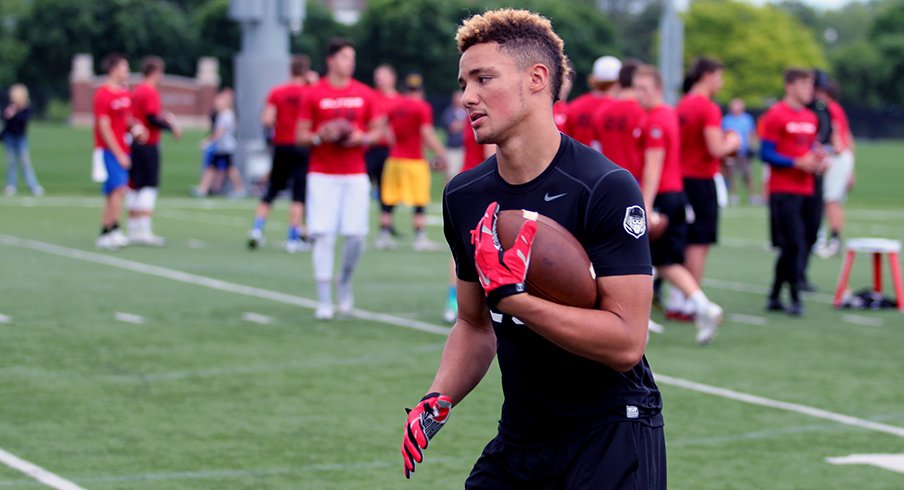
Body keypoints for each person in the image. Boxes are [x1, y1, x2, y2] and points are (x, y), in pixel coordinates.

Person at [401, 9, 665, 488]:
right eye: (463, 83)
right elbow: (473, 322)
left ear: (537, 78)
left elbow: (627, 343)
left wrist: (518, 300)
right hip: (522, 436)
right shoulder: (464, 195)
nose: (467, 98)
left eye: (484, 79)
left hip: (610, 432)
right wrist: (438, 396)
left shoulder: (603, 186)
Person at [633, 65, 723, 344]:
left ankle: (644, 318)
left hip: (663, 197)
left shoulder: (658, 118)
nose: (639, 94)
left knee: (647, 260)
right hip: (672, 195)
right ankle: (701, 307)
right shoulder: (662, 114)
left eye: (644, 89)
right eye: (636, 88)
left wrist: (645, 205)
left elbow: (654, 165)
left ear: (658, 89)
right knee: (661, 261)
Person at [297, 38, 385, 320]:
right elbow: (299, 137)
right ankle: (324, 298)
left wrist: (362, 137)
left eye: (352, 57)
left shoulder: (364, 93)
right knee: (322, 235)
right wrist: (318, 136)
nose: (351, 62)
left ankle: (344, 280)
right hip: (322, 174)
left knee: (357, 236)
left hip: (354, 173)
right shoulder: (313, 93)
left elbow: (377, 131)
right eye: (346, 57)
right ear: (331, 60)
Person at [672, 57, 741, 318]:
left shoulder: (682, 104)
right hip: (701, 178)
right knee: (698, 242)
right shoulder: (707, 107)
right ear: (708, 76)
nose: (721, 83)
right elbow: (716, 148)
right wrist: (733, 141)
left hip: (681, 178)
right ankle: (692, 301)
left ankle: (678, 298)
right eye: (719, 76)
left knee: (684, 239)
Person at [759, 68, 826, 316]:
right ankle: (795, 296)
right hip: (783, 189)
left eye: (810, 85)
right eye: (803, 84)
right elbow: (765, 153)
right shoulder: (776, 115)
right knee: (794, 243)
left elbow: (812, 148)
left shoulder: (810, 117)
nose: (808, 89)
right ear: (789, 86)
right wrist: (794, 162)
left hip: (806, 188)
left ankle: (775, 295)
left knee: (800, 242)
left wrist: (820, 159)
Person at [248, 55, 314, 253]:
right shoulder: (310, 92)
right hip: (302, 146)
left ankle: (256, 230)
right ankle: (293, 237)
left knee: (272, 189)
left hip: (282, 145)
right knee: (298, 195)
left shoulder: (277, 92)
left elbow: (267, 119)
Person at [376, 73, 448, 251]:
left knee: (389, 198)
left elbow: (382, 123)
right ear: (420, 90)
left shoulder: (396, 104)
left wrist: (391, 138)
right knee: (419, 200)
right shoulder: (421, 107)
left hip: (394, 159)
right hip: (414, 160)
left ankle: (383, 235)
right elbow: (426, 132)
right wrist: (440, 152)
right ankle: (419, 237)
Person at [444, 115, 497, 323]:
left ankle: (454, 301)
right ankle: (459, 302)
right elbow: (493, 157)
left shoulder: (472, 112)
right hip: (483, 187)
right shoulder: (493, 113)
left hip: (468, 184)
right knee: (477, 247)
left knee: (463, 249)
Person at [93, 53, 147, 250]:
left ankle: (106, 231)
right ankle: (114, 228)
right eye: (125, 68)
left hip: (123, 148)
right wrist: (118, 154)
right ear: (113, 69)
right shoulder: (103, 94)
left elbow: (127, 121)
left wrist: (137, 130)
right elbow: (104, 127)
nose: (128, 72)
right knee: (119, 189)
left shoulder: (124, 94)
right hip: (109, 150)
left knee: (114, 192)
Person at [128, 56, 181, 246]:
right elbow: (151, 118)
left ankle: (133, 227)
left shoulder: (137, 90)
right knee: (149, 186)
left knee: (135, 186)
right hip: (147, 143)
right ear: (155, 72)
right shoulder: (149, 91)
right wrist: (170, 126)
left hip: (135, 142)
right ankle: (144, 229)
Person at [815, 79, 855, 258]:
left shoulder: (829, 108)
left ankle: (834, 239)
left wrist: (832, 150)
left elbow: (838, 133)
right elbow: (849, 137)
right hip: (843, 157)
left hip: (837, 158)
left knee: (830, 199)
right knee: (833, 200)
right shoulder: (836, 108)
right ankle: (831, 238)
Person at [592, 59, 643, 170]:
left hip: (607, 175)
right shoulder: (641, 111)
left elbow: (596, 149)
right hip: (635, 178)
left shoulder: (601, 111)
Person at [563, 55, 621, 147]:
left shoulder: (575, 106)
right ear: (617, 82)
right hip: (606, 160)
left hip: (577, 159)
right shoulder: (617, 108)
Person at [196, 88, 245, 197]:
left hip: (226, 147)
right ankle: (203, 189)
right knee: (212, 168)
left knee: (229, 169)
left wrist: (207, 141)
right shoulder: (222, 114)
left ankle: (239, 189)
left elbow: (219, 133)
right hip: (221, 147)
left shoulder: (226, 115)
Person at [365, 64, 400, 203]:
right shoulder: (371, 97)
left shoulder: (400, 101)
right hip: (370, 148)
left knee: (386, 187)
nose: (379, 79)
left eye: (383, 76)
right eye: (377, 76)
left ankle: (385, 221)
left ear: (392, 78)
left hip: (390, 149)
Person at [2, 84, 42, 197]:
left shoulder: (26, 108)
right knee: (11, 162)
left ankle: (33, 185)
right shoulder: (9, 106)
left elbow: (23, 121)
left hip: (21, 138)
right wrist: (8, 114)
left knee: (25, 162)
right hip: (10, 137)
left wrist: (15, 113)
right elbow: (6, 122)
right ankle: (11, 185)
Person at [721, 98, 758, 205]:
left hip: (744, 152)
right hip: (731, 152)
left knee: (748, 175)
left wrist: (752, 146)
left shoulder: (747, 119)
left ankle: (752, 196)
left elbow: (751, 133)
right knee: (731, 175)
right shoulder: (726, 120)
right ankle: (733, 196)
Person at [441, 90, 467, 176]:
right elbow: (452, 127)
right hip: (452, 149)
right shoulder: (449, 112)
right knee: (450, 173)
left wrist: (461, 124)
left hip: (465, 148)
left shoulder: (467, 112)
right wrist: (464, 124)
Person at [552, 60, 573, 133]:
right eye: (561, 78)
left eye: (568, 78)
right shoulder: (540, 110)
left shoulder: (572, 110)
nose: (566, 84)